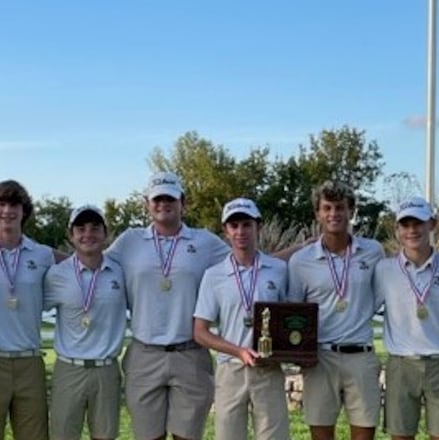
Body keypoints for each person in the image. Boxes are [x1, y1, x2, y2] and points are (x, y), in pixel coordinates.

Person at [106, 171, 230, 440]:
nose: (164, 204)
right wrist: (47, 258)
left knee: (186, 436)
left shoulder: (205, 242)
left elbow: (248, 263)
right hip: (144, 354)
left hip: (190, 353)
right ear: (147, 203)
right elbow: (91, 263)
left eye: (170, 199)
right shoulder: (130, 240)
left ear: (182, 203)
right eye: (157, 199)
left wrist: (301, 248)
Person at [288, 180, 384, 440]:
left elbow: (379, 297)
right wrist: (298, 352)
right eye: (327, 208)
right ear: (317, 213)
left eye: (340, 207)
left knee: (364, 434)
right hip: (320, 357)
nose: (334, 214)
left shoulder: (373, 252)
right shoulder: (301, 261)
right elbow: (295, 313)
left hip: (361, 355)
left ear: (351, 211)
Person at [193, 198, 291, 440]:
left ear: (258, 226)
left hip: (268, 369)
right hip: (231, 369)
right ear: (225, 231)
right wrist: (238, 351)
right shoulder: (214, 275)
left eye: (246, 224)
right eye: (234, 225)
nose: (240, 232)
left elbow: (291, 319)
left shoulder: (279, 270)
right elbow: (200, 331)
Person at [0, 180, 54, 440]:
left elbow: (80, 264)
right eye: (1, 204)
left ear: (24, 211)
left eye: (14, 204)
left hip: (30, 361)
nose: (7, 211)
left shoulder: (43, 255)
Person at [373, 197, 439, 440]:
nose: (412, 231)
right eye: (406, 225)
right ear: (397, 229)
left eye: (418, 223)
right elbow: (363, 309)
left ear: (432, 225)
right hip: (401, 363)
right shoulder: (384, 269)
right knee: (401, 436)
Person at [44, 204, 128, 440]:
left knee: (105, 436)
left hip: (107, 369)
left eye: (95, 228)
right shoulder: (57, 274)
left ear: (106, 234)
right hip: (69, 368)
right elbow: (29, 308)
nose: (88, 234)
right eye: (80, 228)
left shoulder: (120, 272)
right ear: (71, 236)